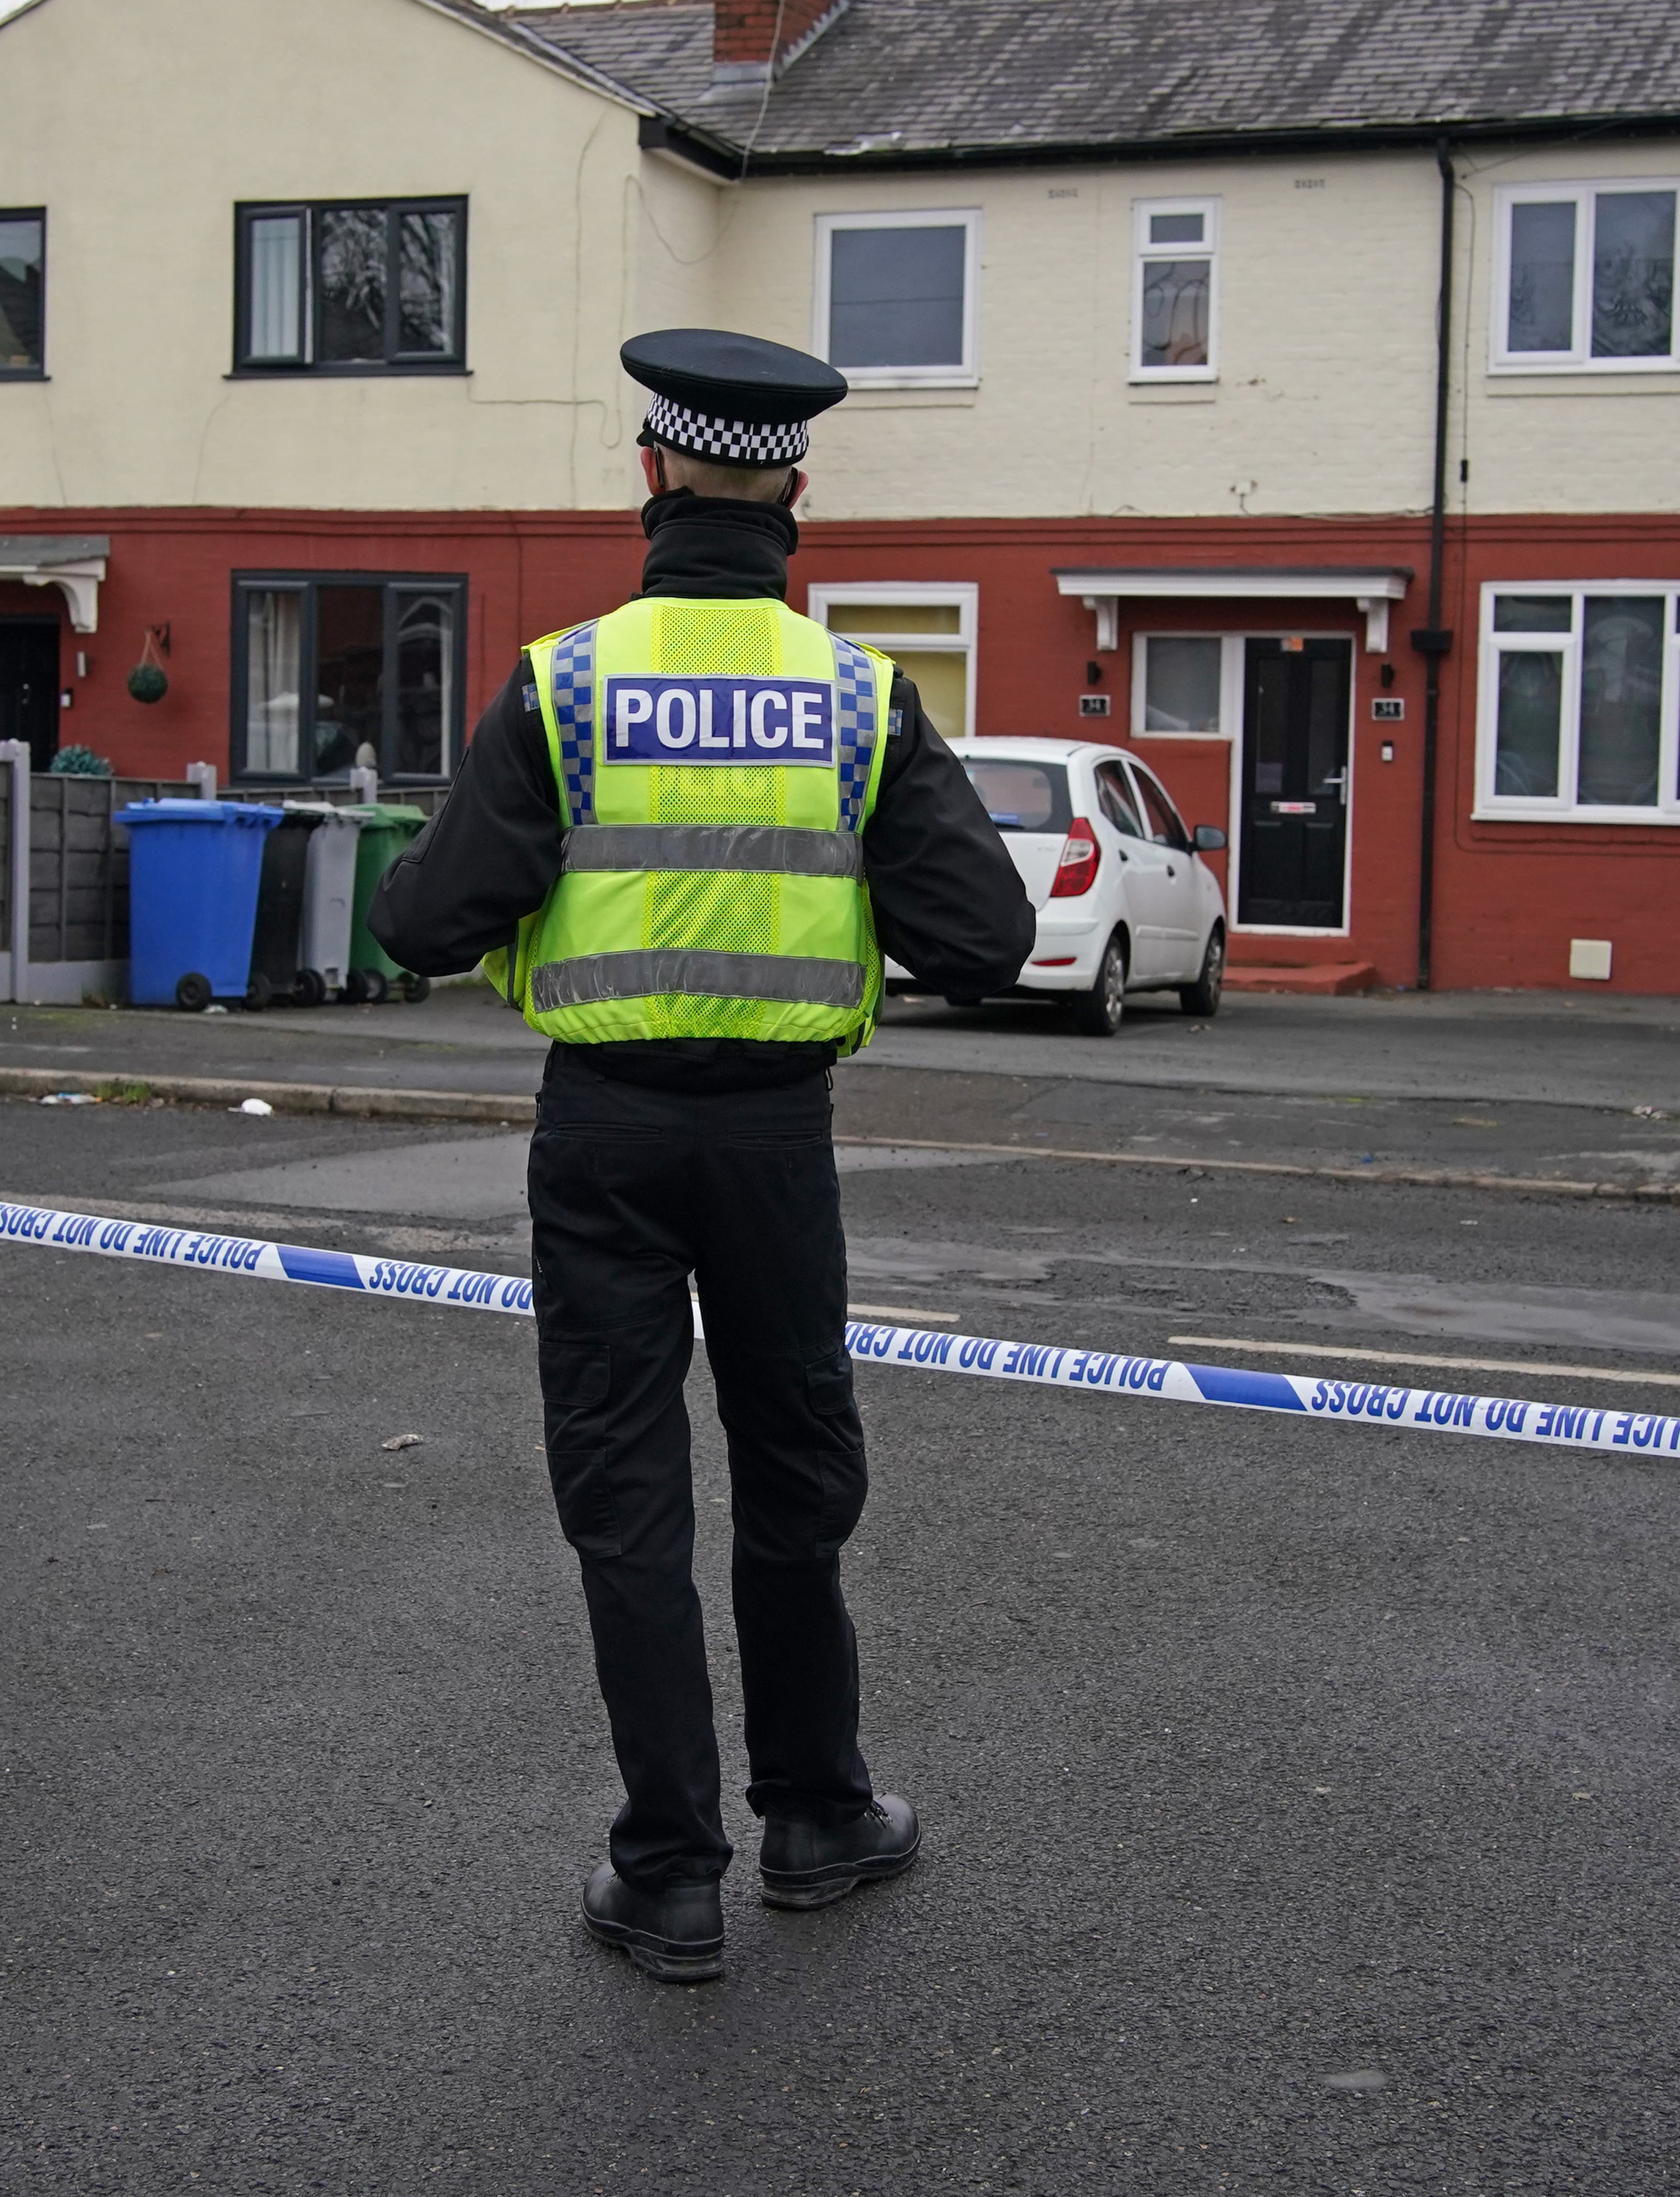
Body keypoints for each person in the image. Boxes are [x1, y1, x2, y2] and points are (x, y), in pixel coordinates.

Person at [369, 328, 1033, 1984]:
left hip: (599, 1134)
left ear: (651, 476)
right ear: (796, 490)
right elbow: (985, 941)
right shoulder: (859, 697)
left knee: (626, 1498)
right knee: (794, 1479)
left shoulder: (564, 683)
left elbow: (421, 924)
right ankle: (815, 1819)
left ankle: (665, 1873)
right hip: (774, 1143)